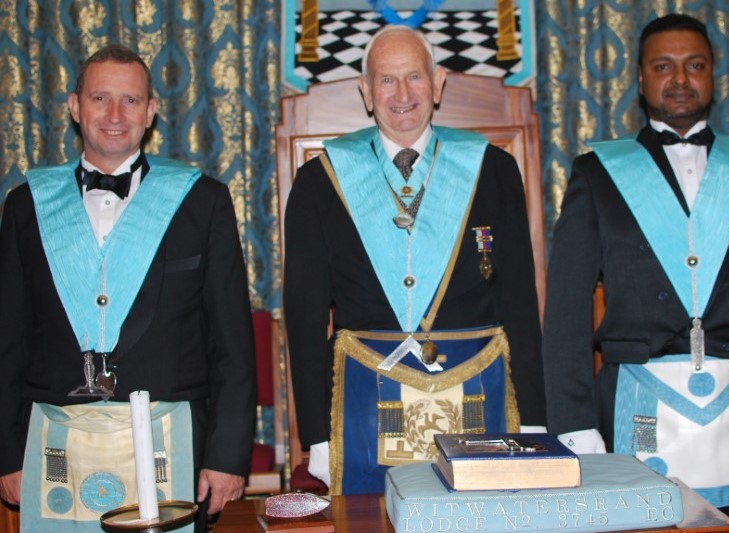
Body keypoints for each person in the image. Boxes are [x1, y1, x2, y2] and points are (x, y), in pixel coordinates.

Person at [542, 13, 729, 533]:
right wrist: (573, 422)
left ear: (713, 75)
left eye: (694, 65)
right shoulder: (599, 174)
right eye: (663, 66)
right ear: (640, 78)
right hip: (636, 409)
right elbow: (566, 310)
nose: (680, 79)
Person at [0, 44, 256, 532]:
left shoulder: (202, 202)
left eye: (131, 100)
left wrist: (227, 457)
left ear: (151, 111)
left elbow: (232, 345)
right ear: (75, 107)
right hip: (55, 441)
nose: (115, 115)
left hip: (172, 438)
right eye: (100, 98)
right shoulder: (26, 206)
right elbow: (7, 340)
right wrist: (6, 453)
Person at [284, 25, 546, 495]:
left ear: (438, 83)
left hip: (477, 396)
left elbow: (521, 305)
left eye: (414, 77)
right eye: (386, 79)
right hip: (363, 406)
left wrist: (534, 419)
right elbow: (304, 322)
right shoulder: (320, 180)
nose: (402, 94)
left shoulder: (493, 169)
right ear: (366, 91)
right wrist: (317, 437)